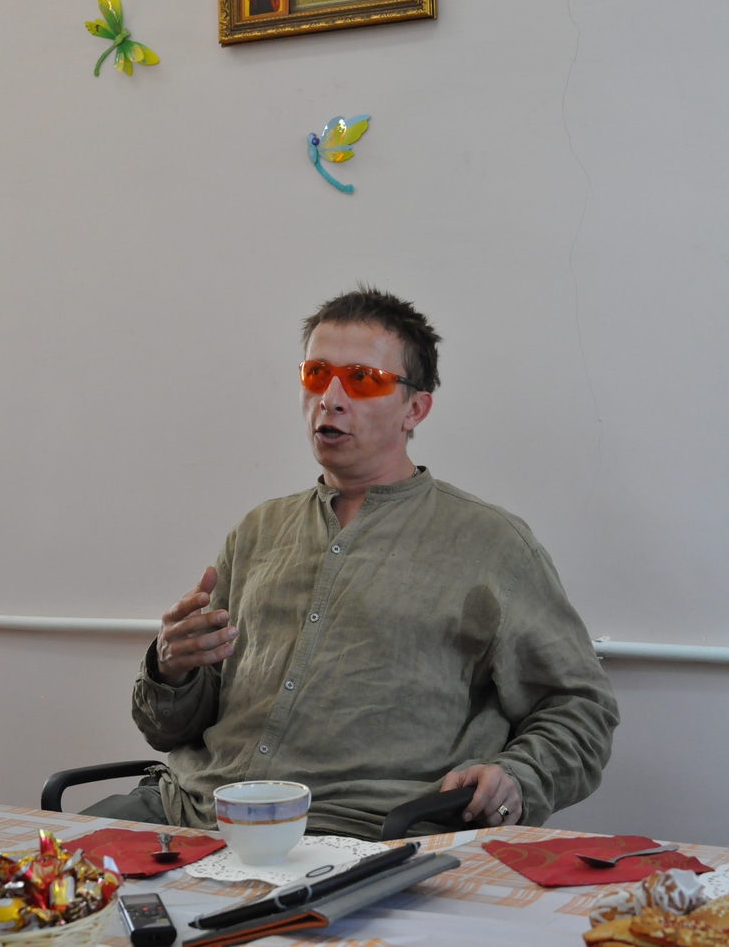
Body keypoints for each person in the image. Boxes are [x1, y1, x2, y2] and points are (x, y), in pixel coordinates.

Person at [85, 287, 619, 838]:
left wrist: (518, 778)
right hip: (189, 811)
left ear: (415, 408)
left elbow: (580, 709)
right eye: (317, 374)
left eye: (362, 379)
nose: (331, 399)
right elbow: (169, 730)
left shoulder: (492, 545)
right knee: (39, 870)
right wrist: (172, 670)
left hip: (352, 833)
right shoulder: (258, 531)